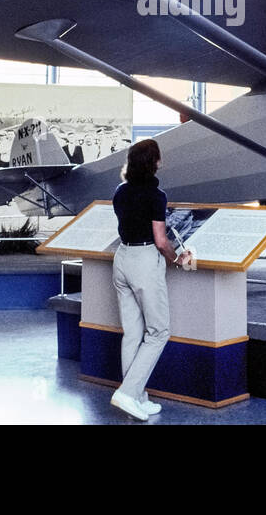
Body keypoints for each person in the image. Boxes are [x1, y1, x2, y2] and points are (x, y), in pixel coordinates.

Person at [108, 139, 190, 421]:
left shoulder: (120, 191)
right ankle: (127, 393)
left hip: (122, 259)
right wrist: (177, 258)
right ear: (153, 162)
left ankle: (138, 397)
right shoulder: (157, 196)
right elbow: (160, 240)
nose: (161, 160)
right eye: (159, 156)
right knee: (158, 332)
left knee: (132, 333)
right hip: (144, 261)